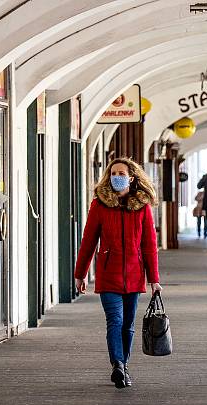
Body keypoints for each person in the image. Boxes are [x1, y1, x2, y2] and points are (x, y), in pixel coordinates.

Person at [73, 157, 162, 389]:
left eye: (122, 174)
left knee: (128, 324)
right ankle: (118, 365)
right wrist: (80, 273)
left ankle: (123, 365)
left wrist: (154, 279)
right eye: (113, 173)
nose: (117, 177)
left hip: (134, 274)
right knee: (115, 320)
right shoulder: (99, 205)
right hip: (108, 274)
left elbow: (149, 245)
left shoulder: (142, 207)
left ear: (131, 178)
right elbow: (89, 241)